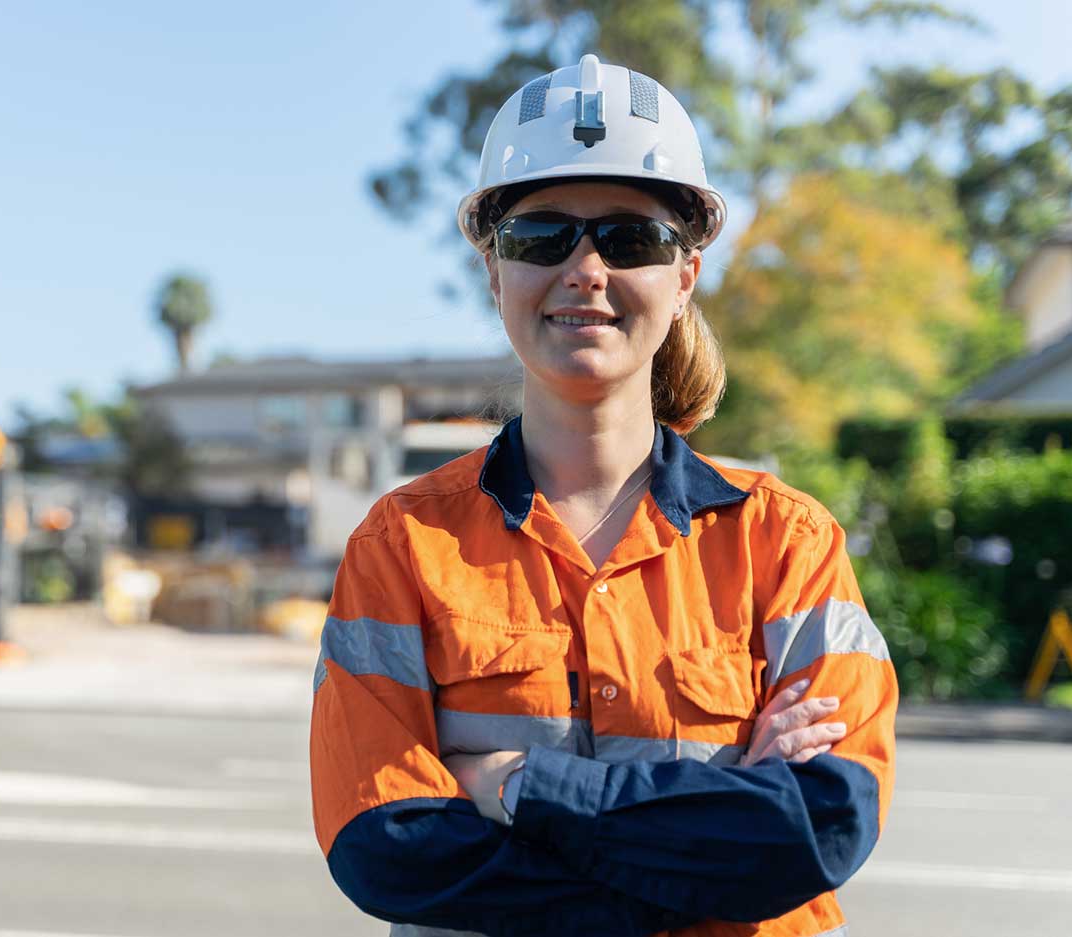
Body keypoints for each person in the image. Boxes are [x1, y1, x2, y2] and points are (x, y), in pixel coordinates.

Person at [310, 54, 896, 937]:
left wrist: (507, 780)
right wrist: (711, 836)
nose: (585, 269)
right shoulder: (402, 545)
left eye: (630, 238)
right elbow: (384, 842)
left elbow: (821, 826)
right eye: (542, 236)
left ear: (685, 274)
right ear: (493, 270)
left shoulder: (788, 542)